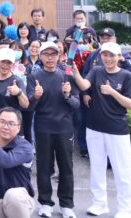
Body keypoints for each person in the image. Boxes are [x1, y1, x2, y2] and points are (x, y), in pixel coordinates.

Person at [72, 42, 131, 218]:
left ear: (119, 57)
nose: (108, 58)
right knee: (97, 168)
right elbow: (84, 86)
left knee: (122, 170)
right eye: (105, 55)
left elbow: (130, 104)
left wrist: (112, 92)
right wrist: (75, 72)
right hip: (94, 128)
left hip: (117, 129)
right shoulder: (96, 71)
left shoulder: (126, 76)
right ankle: (99, 204)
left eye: (112, 55)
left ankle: (126, 209)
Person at [31, 42, 79, 218]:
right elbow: (28, 106)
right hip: (43, 127)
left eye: (53, 54)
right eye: (46, 54)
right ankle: (45, 203)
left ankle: (66, 205)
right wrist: (36, 96)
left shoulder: (67, 76)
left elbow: (76, 104)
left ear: (59, 56)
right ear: (41, 56)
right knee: (43, 167)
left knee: (66, 167)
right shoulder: (34, 76)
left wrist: (67, 95)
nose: (50, 58)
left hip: (64, 128)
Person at [77, 27, 131, 158]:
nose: (105, 40)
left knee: (117, 154)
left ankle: (110, 159)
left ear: (115, 39)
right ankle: (85, 149)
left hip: (115, 110)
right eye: (103, 37)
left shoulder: (123, 55)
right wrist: (85, 93)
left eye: (108, 37)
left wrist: (121, 59)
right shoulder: (94, 55)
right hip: (95, 99)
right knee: (89, 126)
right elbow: (85, 74)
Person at [0, 48, 30, 135]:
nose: (5, 65)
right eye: (3, 61)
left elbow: (25, 105)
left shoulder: (17, 81)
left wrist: (19, 93)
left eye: (9, 63)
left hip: (10, 126)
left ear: (13, 65)